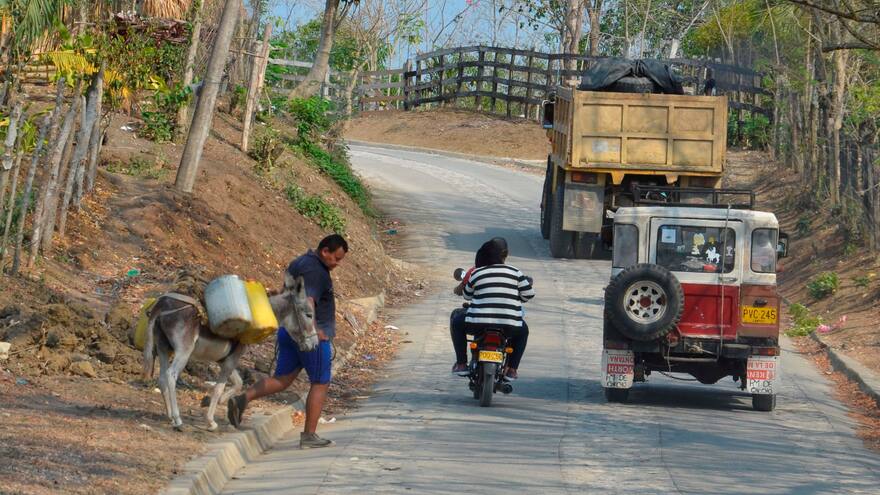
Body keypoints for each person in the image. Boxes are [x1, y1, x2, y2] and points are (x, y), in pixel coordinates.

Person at [227, 234, 348, 449]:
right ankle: (309, 435)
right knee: (320, 382)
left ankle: (241, 400)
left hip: (288, 330)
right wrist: (316, 331)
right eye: (336, 258)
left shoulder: (300, 262)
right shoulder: (316, 272)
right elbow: (307, 302)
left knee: (283, 379)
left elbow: (286, 293)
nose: (338, 264)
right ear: (325, 252)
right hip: (309, 336)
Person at [450, 238, 534, 380]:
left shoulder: (476, 272)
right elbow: (528, 294)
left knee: (457, 322)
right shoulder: (516, 272)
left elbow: (467, 295)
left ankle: (462, 364)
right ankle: (512, 369)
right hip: (509, 326)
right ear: (504, 255)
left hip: (478, 324)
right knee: (523, 331)